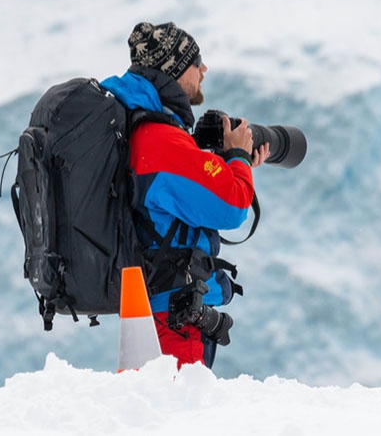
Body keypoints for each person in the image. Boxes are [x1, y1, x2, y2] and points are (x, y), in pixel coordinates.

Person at [101, 21, 269, 368]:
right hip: (172, 322)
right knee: (173, 417)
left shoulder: (137, 129)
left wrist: (228, 165)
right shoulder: (160, 140)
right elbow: (232, 206)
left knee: (147, 413)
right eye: (196, 62)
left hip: (148, 310)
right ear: (175, 71)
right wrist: (237, 159)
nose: (203, 69)